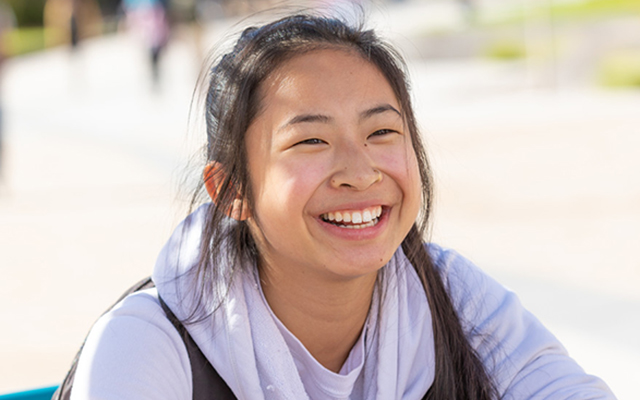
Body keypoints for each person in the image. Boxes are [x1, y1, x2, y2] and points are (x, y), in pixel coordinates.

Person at [70, 13, 616, 399]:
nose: (360, 172)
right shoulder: (146, 345)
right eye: (311, 141)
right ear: (231, 191)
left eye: (381, 131)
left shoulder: (451, 296)